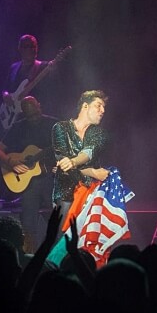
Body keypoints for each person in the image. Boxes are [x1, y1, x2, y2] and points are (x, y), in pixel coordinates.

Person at [0, 95, 58, 250]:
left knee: (57, 220)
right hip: (28, 183)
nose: (34, 118)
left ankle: (56, 256)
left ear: (39, 106)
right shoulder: (18, 127)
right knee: (28, 226)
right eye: (29, 116)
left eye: (35, 114)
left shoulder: (54, 125)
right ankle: (29, 256)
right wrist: (11, 162)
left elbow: (66, 147)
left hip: (51, 178)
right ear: (23, 113)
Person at [51, 90, 110, 224]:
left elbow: (89, 152)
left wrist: (73, 162)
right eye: (98, 105)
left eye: (104, 107)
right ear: (85, 106)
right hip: (66, 194)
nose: (103, 110)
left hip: (92, 193)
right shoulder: (61, 127)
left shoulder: (99, 132)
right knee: (63, 235)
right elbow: (63, 162)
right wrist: (92, 172)